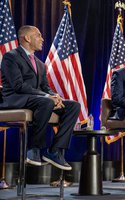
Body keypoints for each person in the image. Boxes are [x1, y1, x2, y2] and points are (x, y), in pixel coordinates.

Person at [0, 25, 80, 171]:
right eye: (38, 35)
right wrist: (47, 96)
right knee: (46, 102)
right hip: (15, 98)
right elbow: (18, 86)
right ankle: (33, 149)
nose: (42, 39)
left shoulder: (40, 64)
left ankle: (55, 150)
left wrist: (55, 96)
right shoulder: (10, 57)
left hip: (38, 100)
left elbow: (45, 87)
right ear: (27, 38)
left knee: (73, 105)